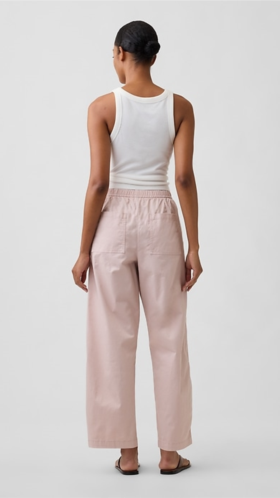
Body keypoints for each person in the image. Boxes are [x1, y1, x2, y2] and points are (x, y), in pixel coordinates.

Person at [72, 20, 203, 476]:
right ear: (153, 55)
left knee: (112, 337)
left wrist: (83, 250)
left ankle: (127, 454)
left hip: (113, 224)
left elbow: (98, 183)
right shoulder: (180, 107)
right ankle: (170, 453)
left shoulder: (102, 107)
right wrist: (194, 246)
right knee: (169, 337)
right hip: (162, 221)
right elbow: (183, 178)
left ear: (119, 53)